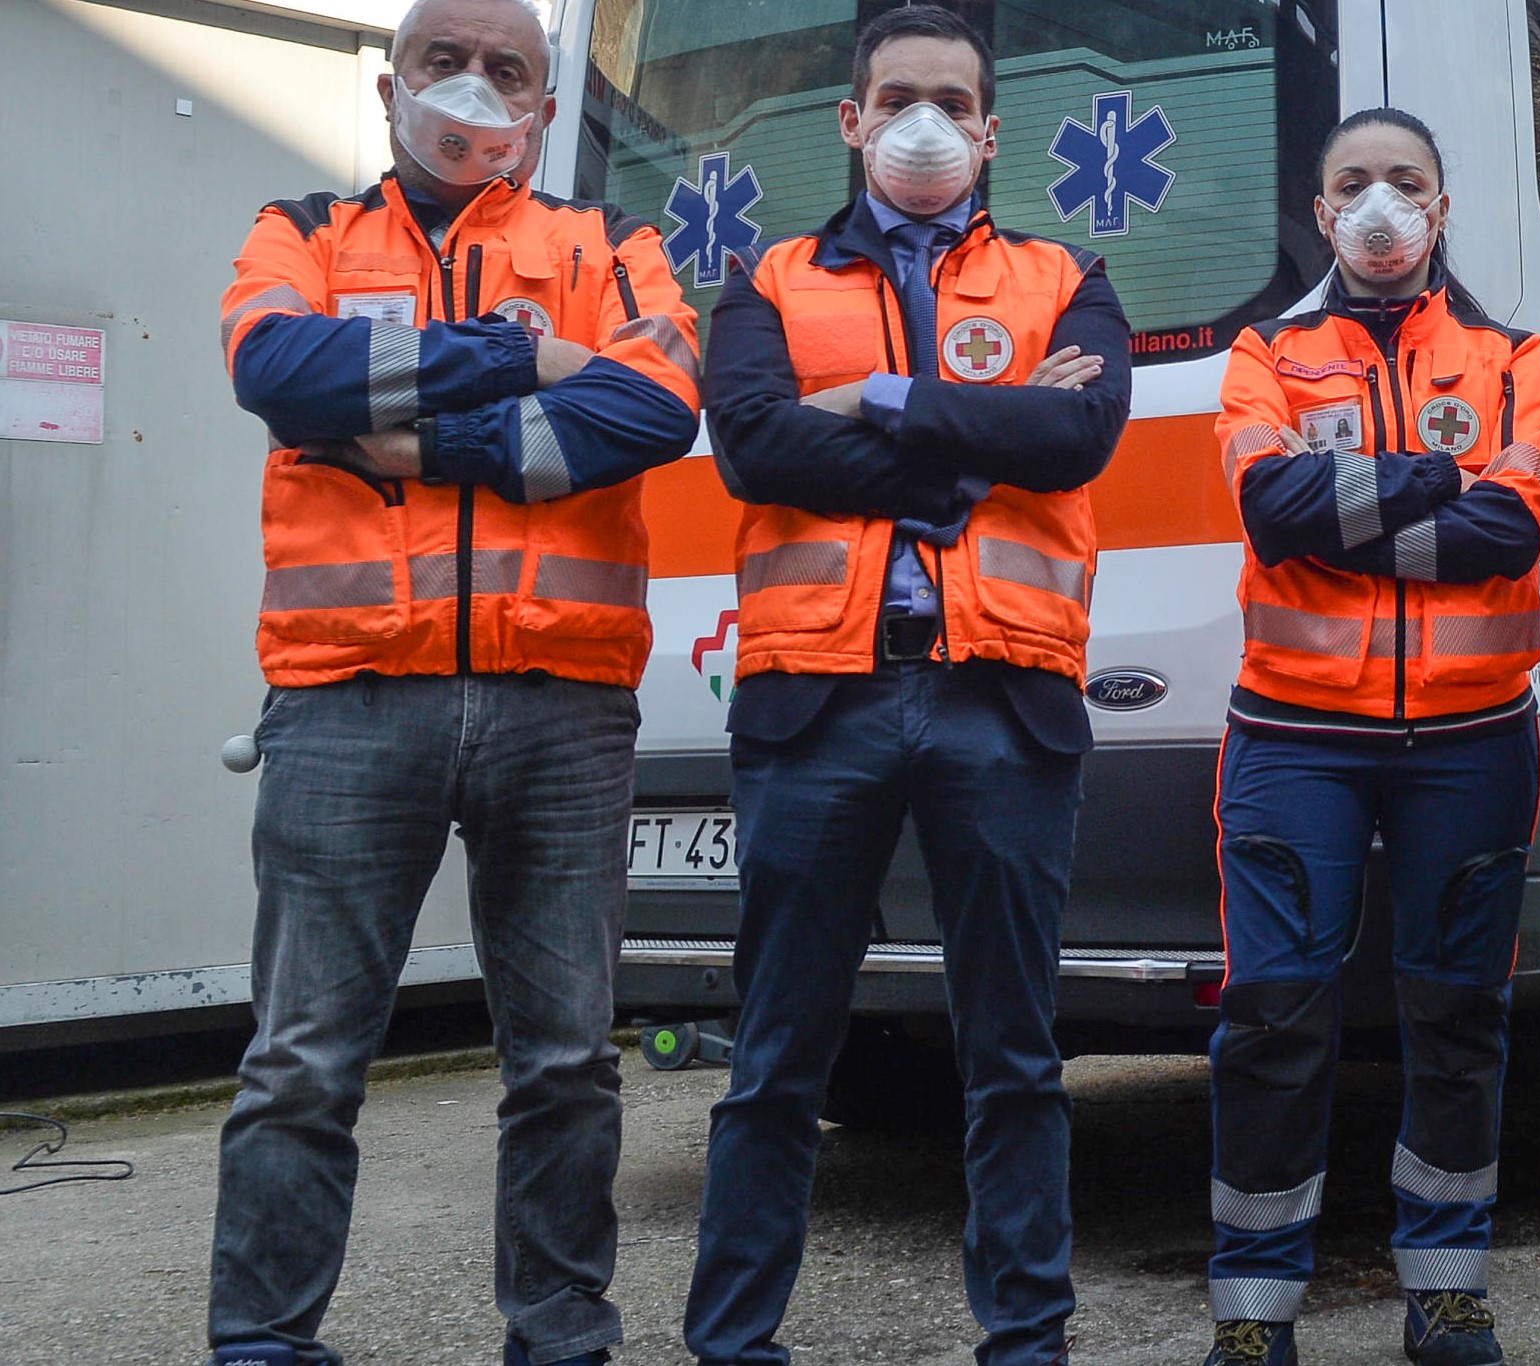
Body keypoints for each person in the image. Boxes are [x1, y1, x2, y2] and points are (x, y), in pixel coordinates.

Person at [207, 0, 703, 1359]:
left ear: (547, 109)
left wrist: (406, 435)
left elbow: (655, 407)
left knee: (565, 1062)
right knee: (301, 1061)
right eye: (447, 61)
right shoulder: (301, 231)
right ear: (390, 84)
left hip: (564, 703)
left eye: (508, 71)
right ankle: (261, 1343)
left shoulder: (610, 242)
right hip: (348, 696)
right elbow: (275, 367)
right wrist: (518, 360)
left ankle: (559, 1338)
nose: (475, 89)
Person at [678, 6, 1129, 1364]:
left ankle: (1027, 1340)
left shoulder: (1066, 270)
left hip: (1005, 700)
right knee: (774, 1060)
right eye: (899, 96)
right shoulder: (766, 282)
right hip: (821, 700)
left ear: (993, 131)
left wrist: (869, 403)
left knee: (1015, 1055)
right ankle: (735, 1341)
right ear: (852, 120)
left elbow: (1084, 428)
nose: (925, 121)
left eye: (953, 100)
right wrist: (980, 439)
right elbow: (755, 451)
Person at [1198, 107, 1540, 1366]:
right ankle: (1253, 1310)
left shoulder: (1516, 357)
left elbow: (1510, 533)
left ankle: (1447, 1289)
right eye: (1352, 183)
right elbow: (1268, 506)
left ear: (1441, 207)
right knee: (1273, 1014)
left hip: (1470, 737)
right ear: (1319, 212)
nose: (1378, 205)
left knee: (1458, 1013)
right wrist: (1430, 480)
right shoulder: (1260, 352)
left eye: (1403, 182)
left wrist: (1346, 515)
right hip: (1293, 734)